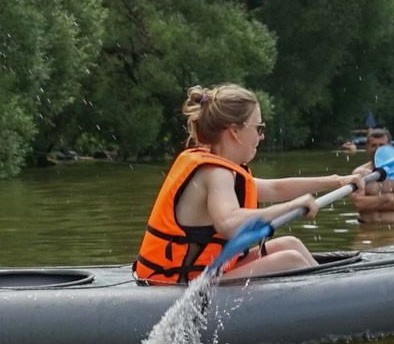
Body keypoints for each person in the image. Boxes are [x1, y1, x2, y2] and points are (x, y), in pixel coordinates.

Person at [133, 84, 367, 283]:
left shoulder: (221, 168)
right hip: (178, 282)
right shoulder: (215, 173)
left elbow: (276, 188)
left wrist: (338, 181)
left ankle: (330, 297)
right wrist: (291, 206)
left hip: (203, 272)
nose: (262, 136)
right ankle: (329, 310)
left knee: (290, 244)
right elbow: (228, 222)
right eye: (259, 128)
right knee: (291, 260)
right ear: (234, 132)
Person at [348, 124, 394, 227]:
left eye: (382, 145)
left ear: (389, 147)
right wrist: (386, 198)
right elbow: (358, 204)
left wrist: (369, 202)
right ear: (367, 147)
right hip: (365, 228)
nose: (378, 149)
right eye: (374, 145)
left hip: (392, 228)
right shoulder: (359, 173)